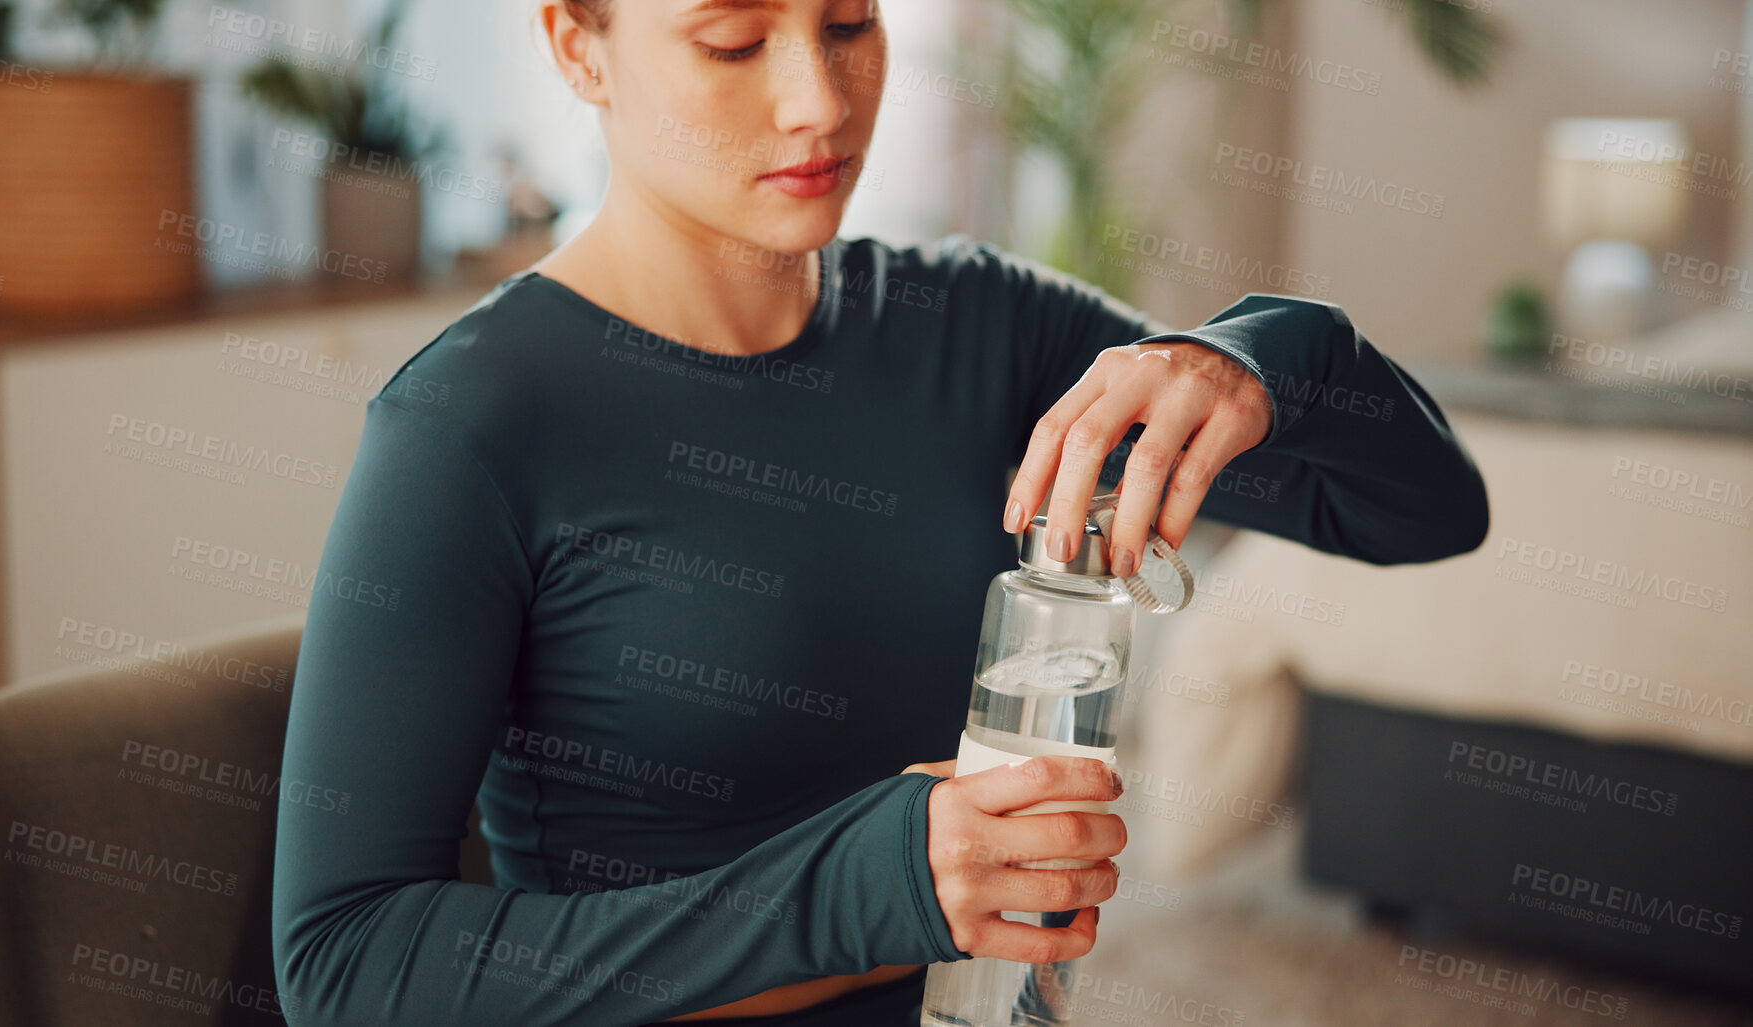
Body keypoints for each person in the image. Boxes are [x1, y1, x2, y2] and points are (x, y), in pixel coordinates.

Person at [268, 2, 1490, 1025]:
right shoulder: (469, 423)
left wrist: (1262, 357)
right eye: (734, 40)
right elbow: (345, 960)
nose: (818, 100)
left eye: (849, 20)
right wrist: (873, 886)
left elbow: (1425, 510)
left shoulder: (981, 328)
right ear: (579, 47)